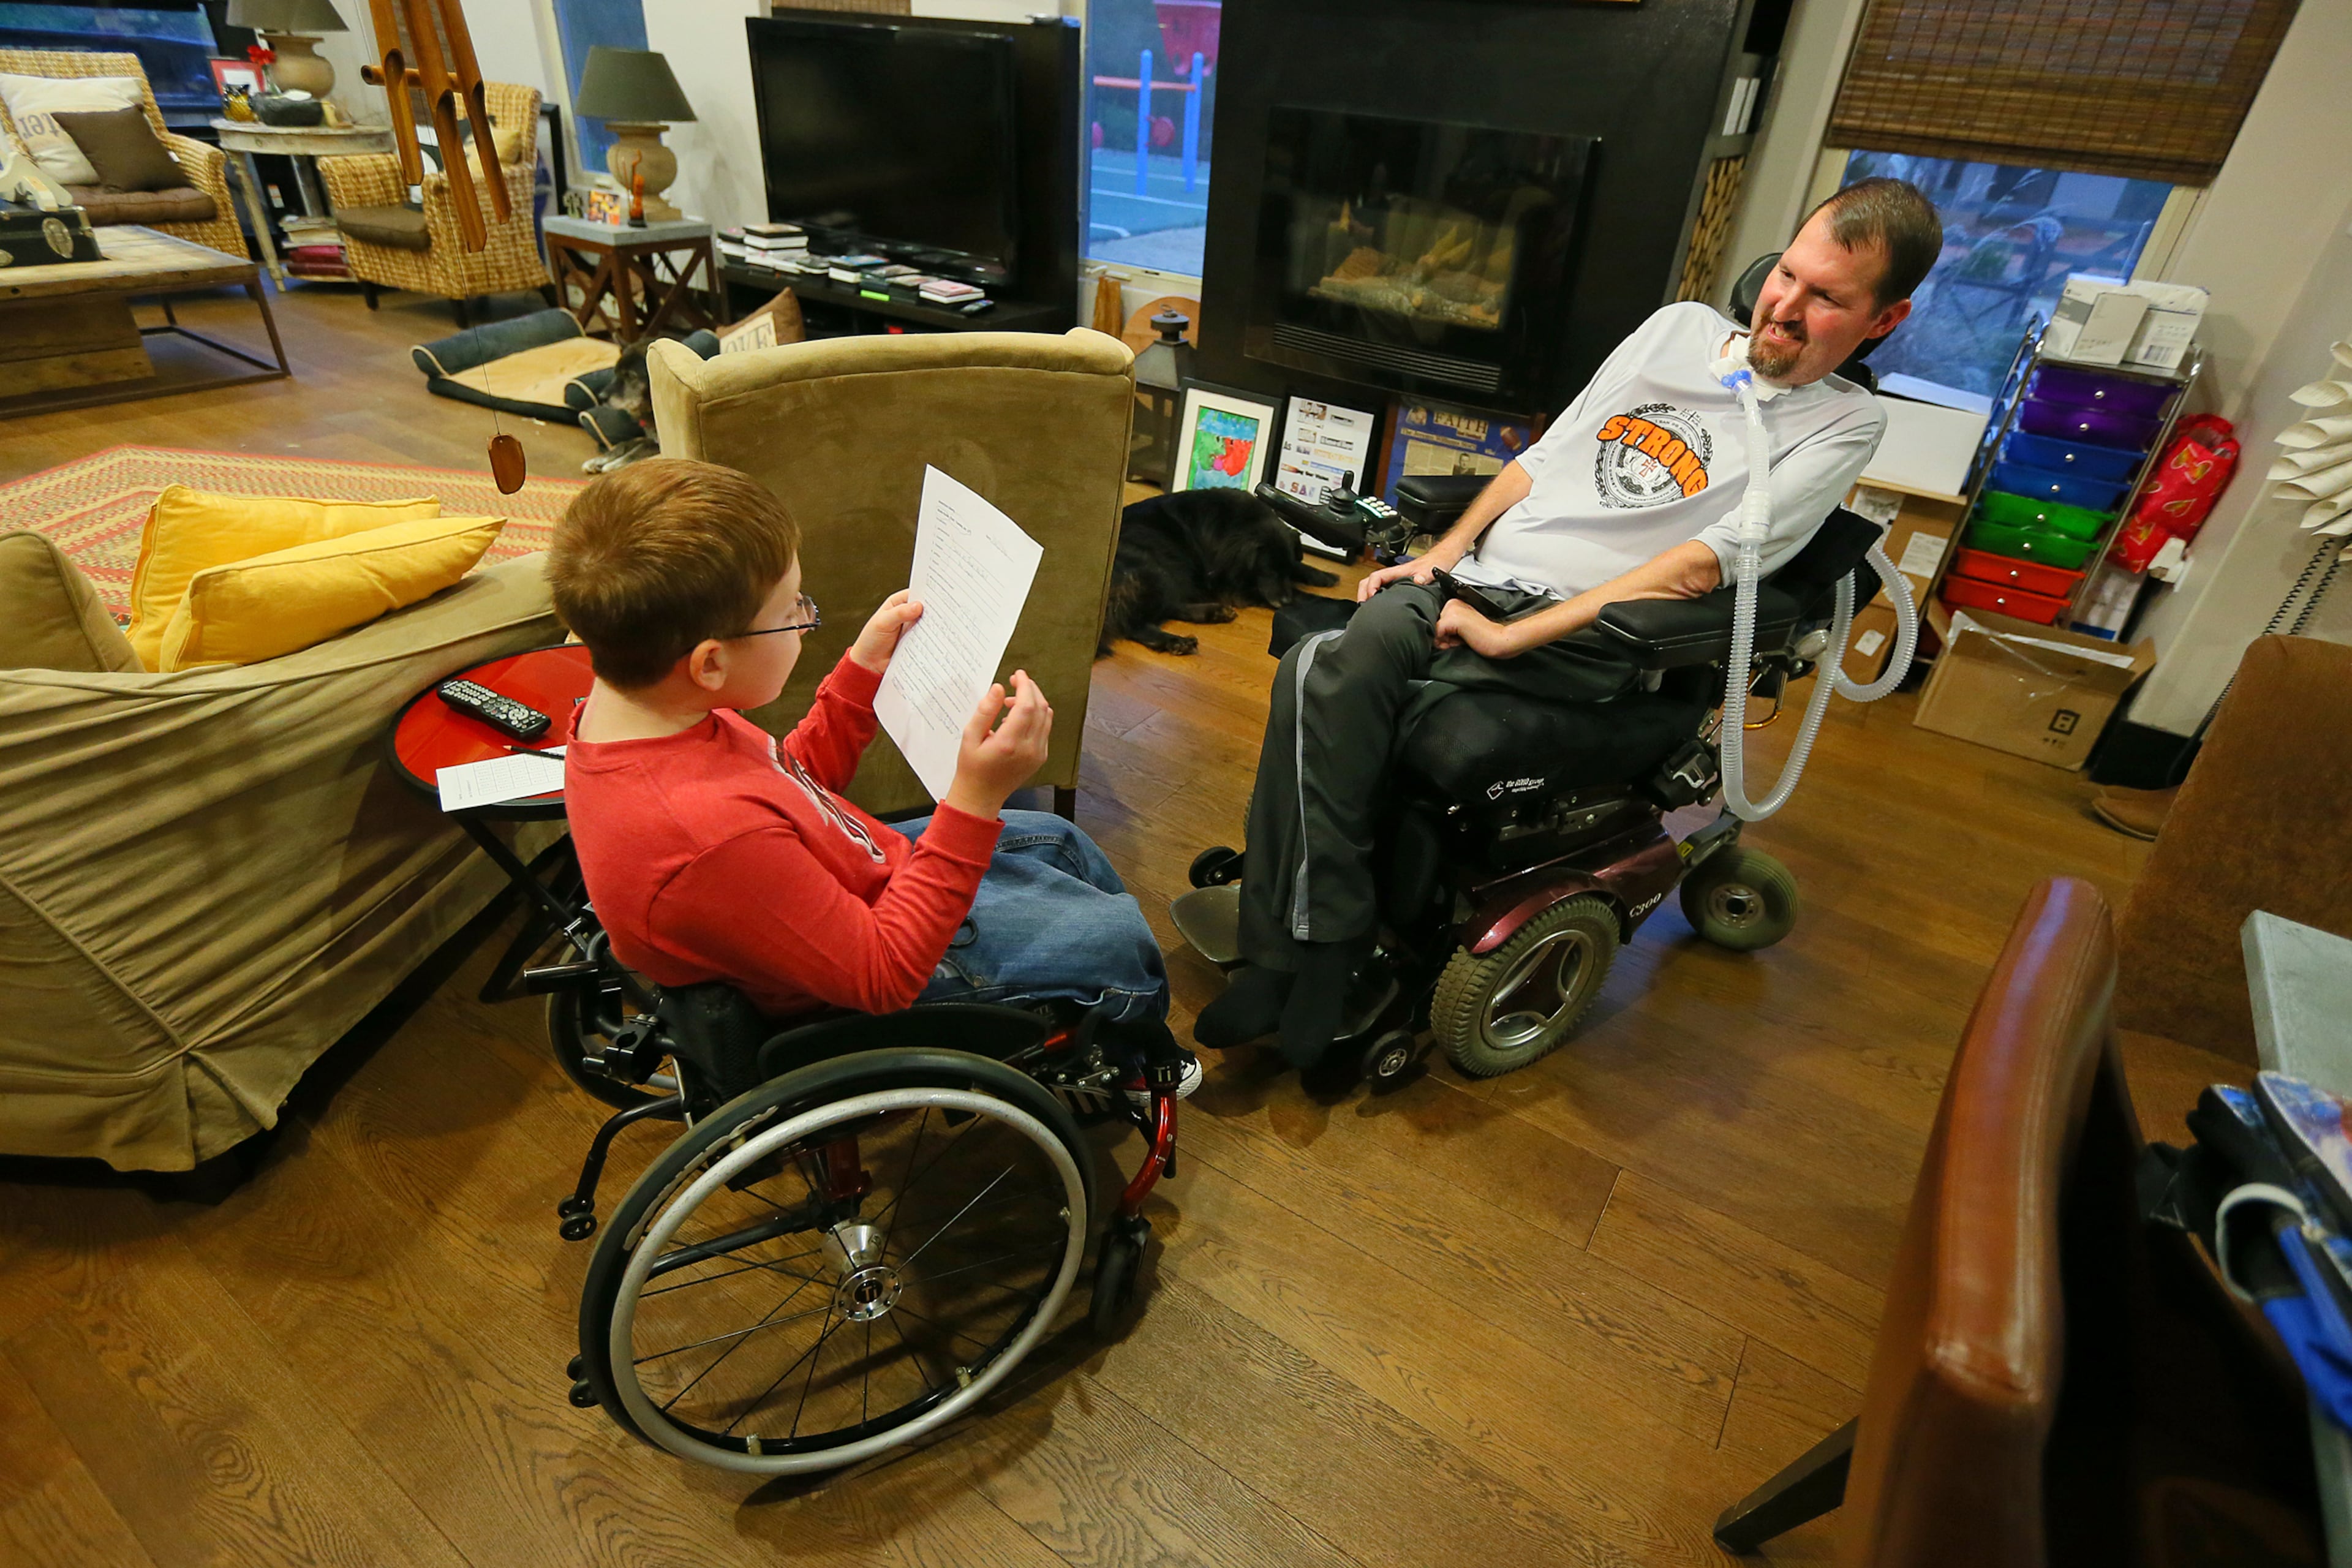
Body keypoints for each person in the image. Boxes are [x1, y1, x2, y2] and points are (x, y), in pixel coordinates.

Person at [1197, 177, 1943, 1064]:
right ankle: (1319, 944)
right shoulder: (1678, 333)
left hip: (1586, 638)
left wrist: (1514, 633)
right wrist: (1443, 557)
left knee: (1318, 666)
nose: (1785, 308)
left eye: (1829, 300)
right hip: (1476, 583)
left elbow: (1708, 563)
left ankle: (1300, 955)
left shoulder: (1843, 423)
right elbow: (1542, 460)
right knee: (1325, 659)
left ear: (1883, 320)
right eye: (1787, 275)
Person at [548, 457, 1197, 1101]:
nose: (806, 619)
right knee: (1121, 944)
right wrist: (974, 797)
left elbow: (790, 783)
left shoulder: (644, 718)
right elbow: (886, 976)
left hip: (854, 887)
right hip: (877, 962)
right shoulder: (706, 835)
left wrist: (859, 673)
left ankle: (1109, 1028)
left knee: (1057, 840)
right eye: (791, 609)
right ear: (710, 663)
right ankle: (1135, 1060)